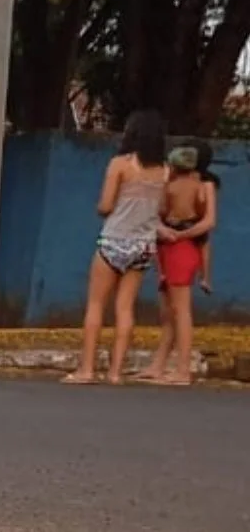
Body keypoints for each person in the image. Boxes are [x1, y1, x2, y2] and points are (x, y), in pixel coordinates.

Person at [63, 110, 168, 385]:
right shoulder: (165, 172)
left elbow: (106, 205)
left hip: (113, 240)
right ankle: (115, 372)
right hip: (144, 245)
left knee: (96, 305)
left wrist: (109, 207)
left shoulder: (120, 165)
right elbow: (162, 210)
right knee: (125, 307)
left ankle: (87, 369)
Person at [138, 139, 219, 385]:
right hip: (170, 246)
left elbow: (207, 223)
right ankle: (158, 365)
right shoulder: (182, 186)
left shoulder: (201, 186)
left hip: (180, 246)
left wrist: (180, 234)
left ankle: (183, 370)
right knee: (168, 311)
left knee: (181, 310)